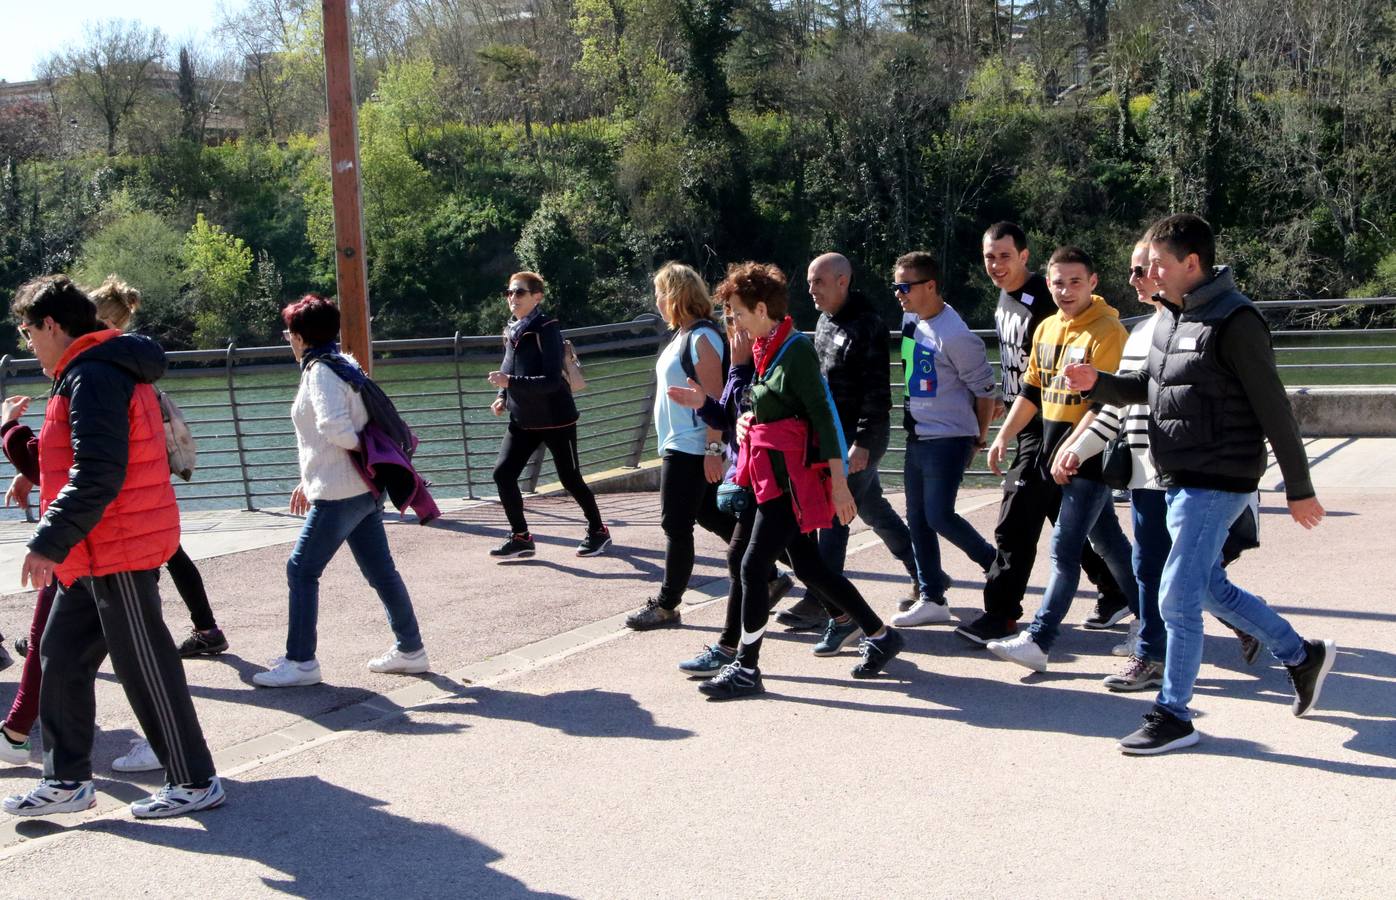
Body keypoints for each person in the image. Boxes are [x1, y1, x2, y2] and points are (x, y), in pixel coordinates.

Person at [1064, 214, 1334, 755]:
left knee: (1177, 595)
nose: (1150, 274)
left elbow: (1275, 409)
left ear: (1192, 263)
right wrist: (1102, 384)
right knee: (1208, 588)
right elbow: (1151, 387)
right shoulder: (1169, 318)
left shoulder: (1237, 321)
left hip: (1222, 477)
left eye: (1159, 265)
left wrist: (1298, 486)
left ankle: (1173, 714)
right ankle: (1302, 655)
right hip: (1179, 478)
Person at [2, 274, 223, 819]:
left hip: (116, 546)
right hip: (95, 547)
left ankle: (194, 782)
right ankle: (68, 781)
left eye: (27, 331)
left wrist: (49, 540)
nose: (26, 343)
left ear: (52, 324)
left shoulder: (94, 374)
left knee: (146, 666)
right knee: (58, 660)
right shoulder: (91, 368)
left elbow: (99, 471)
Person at [681, 262, 904, 699]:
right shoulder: (767, 348)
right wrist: (742, 418)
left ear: (762, 308)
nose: (734, 323)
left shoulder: (794, 351)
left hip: (791, 486)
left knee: (750, 565)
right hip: (771, 480)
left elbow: (823, 417)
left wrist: (839, 485)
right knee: (808, 566)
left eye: (738, 313)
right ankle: (880, 635)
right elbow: (761, 408)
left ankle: (746, 666)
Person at [1054, 244, 1266, 693]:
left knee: (1192, 575)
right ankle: (1153, 653)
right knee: (1152, 567)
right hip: (1145, 473)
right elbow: (1117, 406)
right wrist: (1080, 447)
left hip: (1193, 474)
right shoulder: (1141, 333)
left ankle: (1252, 631)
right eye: (1132, 271)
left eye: (1145, 269)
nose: (1136, 279)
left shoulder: (1204, 327)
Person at [954, 222, 1130, 647]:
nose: (996, 265)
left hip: (1076, 441)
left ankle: (1009, 619)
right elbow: (1032, 384)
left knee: (1026, 527)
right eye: (989, 257)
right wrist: (1001, 432)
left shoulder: (1097, 327)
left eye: (1004, 256)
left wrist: (1070, 446)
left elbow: (1105, 401)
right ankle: (1121, 593)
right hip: (1042, 430)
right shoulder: (1045, 320)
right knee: (1093, 532)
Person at [253, 295, 429, 688]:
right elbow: (340, 429)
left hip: (341, 492)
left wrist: (361, 454)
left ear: (299, 337)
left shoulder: (320, 371)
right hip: (362, 488)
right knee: (381, 571)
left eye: (288, 333)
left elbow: (334, 428)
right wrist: (315, 474)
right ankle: (411, 649)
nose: (288, 339)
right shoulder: (343, 362)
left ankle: (301, 662)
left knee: (300, 570)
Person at [625, 263, 791, 630]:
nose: (656, 299)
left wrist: (713, 451)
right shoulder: (682, 335)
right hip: (681, 444)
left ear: (674, 295)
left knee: (675, 524)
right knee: (713, 516)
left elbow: (717, 398)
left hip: (692, 447)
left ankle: (667, 605)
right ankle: (771, 576)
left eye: (659, 292)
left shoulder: (702, 338)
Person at [774, 253, 920, 631]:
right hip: (830, 436)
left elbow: (878, 392)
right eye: (809, 282)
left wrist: (864, 443)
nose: (811, 290)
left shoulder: (867, 324)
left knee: (833, 514)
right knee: (872, 509)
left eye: (818, 282)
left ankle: (822, 600)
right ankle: (925, 574)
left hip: (858, 439)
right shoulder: (824, 321)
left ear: (842, 281)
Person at [89, 277, 229, 660]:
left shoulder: (104, 369)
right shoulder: (137, 364)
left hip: (124, 482)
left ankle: (68, 645)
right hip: (151, 476)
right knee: (168, 551)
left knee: (111, 559)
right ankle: (206, 628)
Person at [887, 251, 999, 628]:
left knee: (939, 515)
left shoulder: (957, 335)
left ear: (930, 286)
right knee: (917, 518)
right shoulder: (910, 321)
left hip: (949, 438)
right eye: (896, 287)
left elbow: (985, 392)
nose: (899, 294)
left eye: (905, 286)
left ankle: (995, 565)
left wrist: (978, 439)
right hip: (918, 435)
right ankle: (932, 595)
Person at [487, 271, 611, 560]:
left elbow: (551, 381)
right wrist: (502, 396)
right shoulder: (512, 331)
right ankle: (521, 537)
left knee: (570, 478)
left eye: (518, 292)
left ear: (537, 296)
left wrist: (510, 384)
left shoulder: (547, 329)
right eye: (509, 293)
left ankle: (598, 531)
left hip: (557, 419)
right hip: (523, 420)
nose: (512, 298)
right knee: (503, 474)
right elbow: (510, 369)